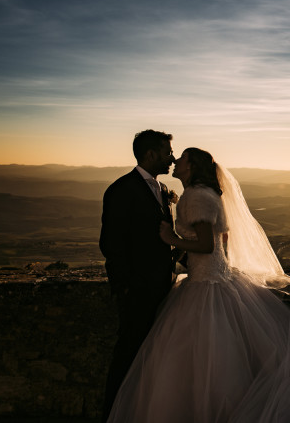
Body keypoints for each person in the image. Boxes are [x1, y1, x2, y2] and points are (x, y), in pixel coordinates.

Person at [106, 147, 290, 422]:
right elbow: (220, 240)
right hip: (213, 276)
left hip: (205, 283)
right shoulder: (207, 193)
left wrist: (171, 239)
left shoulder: (195, 196)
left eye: (182, 157)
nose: (175, 161)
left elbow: (208, 245)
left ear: (193, 166)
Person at [98, 130, 177, 422]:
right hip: (138, 292)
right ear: (151, 154)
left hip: (163, 288)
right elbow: (111, 245)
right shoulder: (122, 190)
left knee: (152, 358)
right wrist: (127, 288)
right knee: (128, 355)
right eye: (168, 152)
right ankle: (113, 414)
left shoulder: (160, 188)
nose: (173, 157)